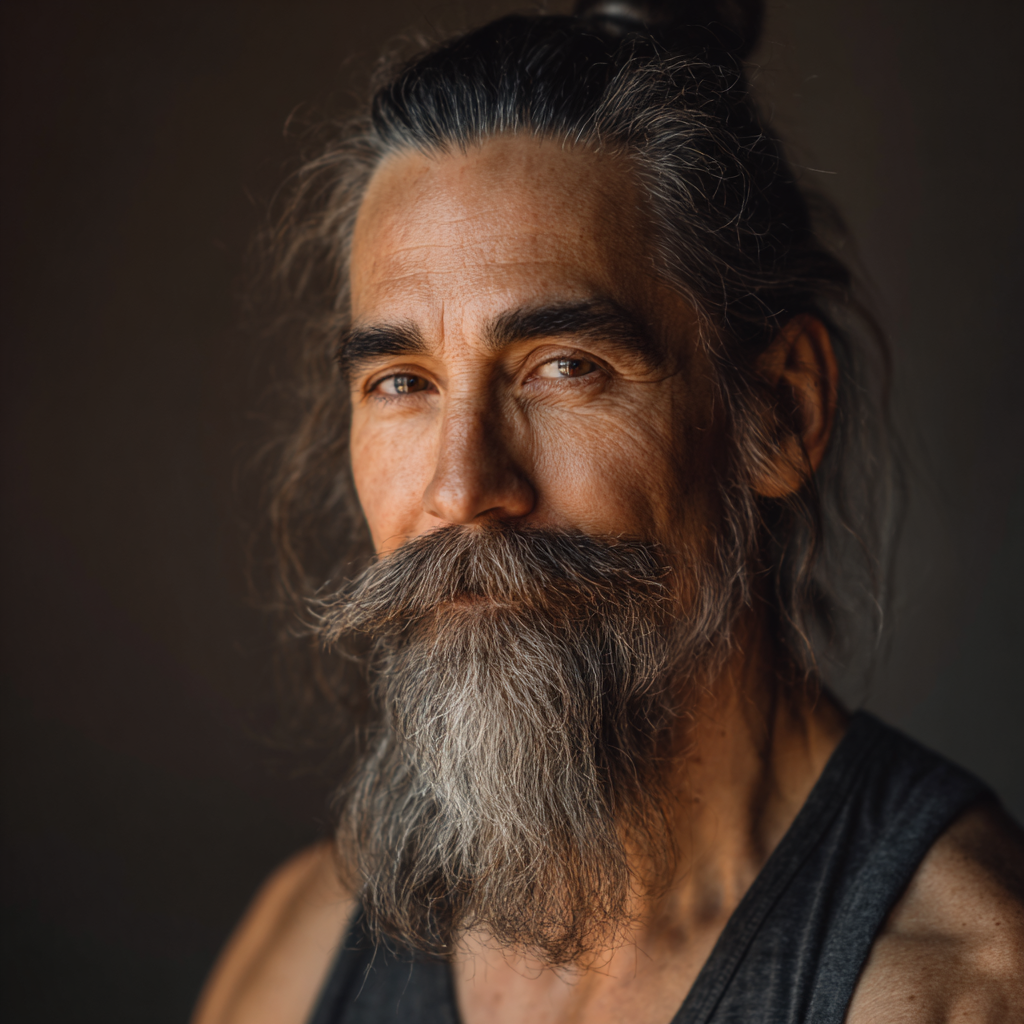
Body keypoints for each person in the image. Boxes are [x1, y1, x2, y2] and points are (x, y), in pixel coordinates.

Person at [191, 2, 1024, 1021]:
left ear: (781, 412)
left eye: (563, 367)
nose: (461, 489)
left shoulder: (950, 987)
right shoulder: (300, 951)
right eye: (403, 382)